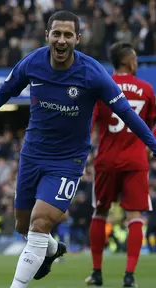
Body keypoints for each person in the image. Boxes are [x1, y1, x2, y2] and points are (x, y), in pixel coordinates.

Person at [0, 11, 156, 288]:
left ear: (78, 39)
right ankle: (51, 250)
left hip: (67, 161)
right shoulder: (33, 63)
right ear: (47, 36)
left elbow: (125, 112)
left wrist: (153, 144)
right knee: (22, 227)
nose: (61, 40)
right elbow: (3, 92)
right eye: (57, 34)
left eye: (68, 35)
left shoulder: (93, 73)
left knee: (39, 224)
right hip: (32, 155)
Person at [86, 42, 156, 287]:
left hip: (107, 159)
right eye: (135, 58)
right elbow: (151, 124)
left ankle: (96, 273)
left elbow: (90, 122)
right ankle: (129, 275)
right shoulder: (146, 89)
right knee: (135, 216)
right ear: (128, 61)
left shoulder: (102, 87)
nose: (137, 62)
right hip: (136, 160)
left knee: (101, 211)